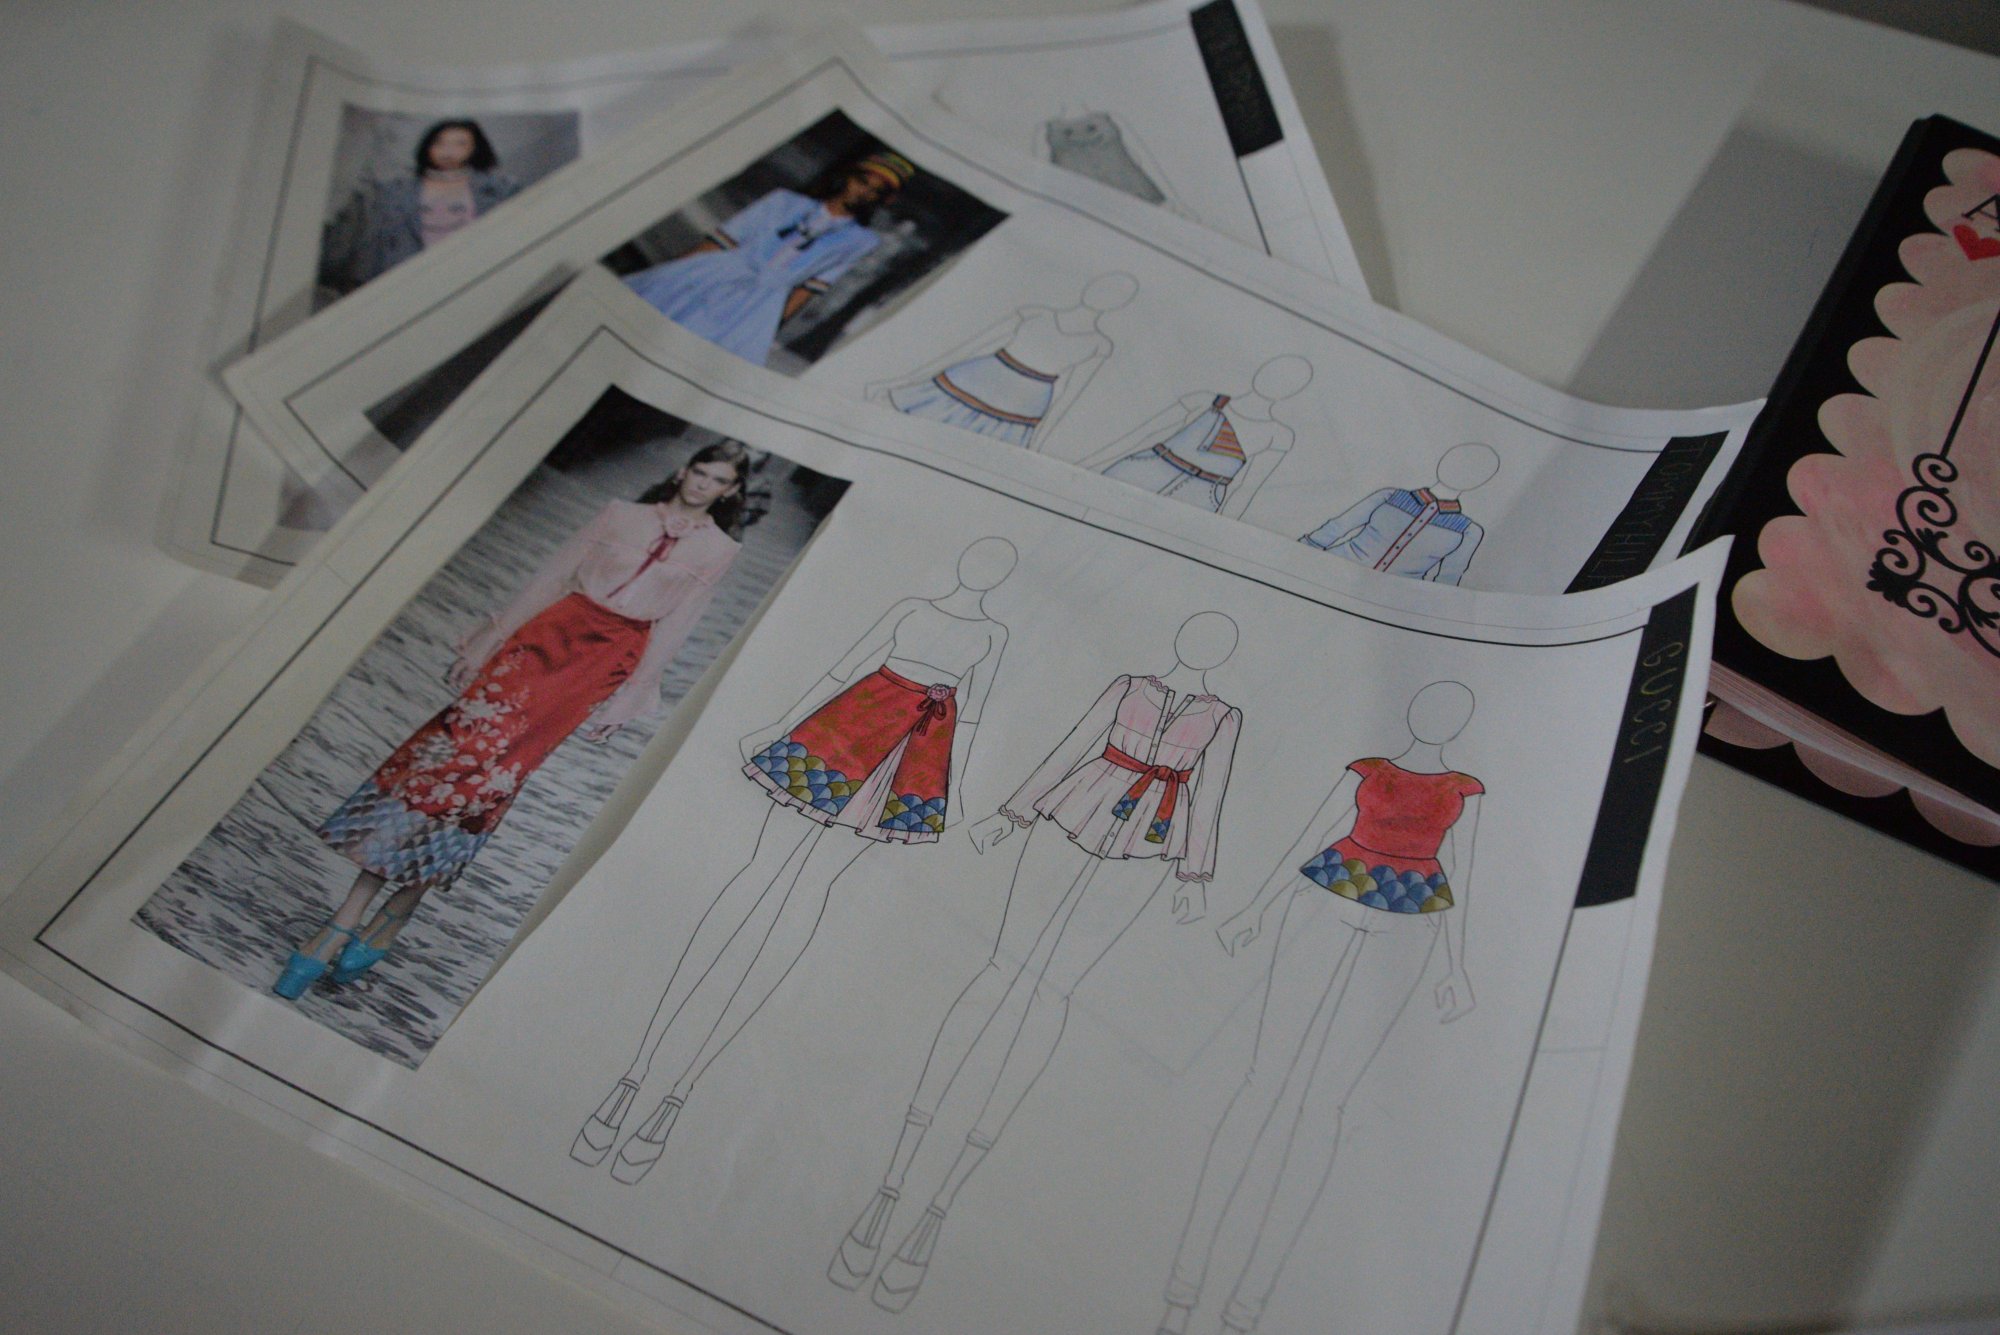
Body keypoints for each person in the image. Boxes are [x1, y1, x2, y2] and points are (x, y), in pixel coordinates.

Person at [272, 443, 750, 999]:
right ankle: (355, 920)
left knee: (496, 778)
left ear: (730, 491)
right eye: (699, 471)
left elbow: (678, 625)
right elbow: (553, 576)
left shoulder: (719, 550)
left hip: (599, 665)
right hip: (545, 637)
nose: (703, 485)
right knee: (450, 757)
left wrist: (633, 694)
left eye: (717, 480)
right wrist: (491, 637)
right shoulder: (622, 514)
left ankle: (381, 914)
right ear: (683, 470)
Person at [622, 151, 916, 366]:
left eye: (875, 191)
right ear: (848, 177)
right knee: (654, 327)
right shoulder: (784, 201)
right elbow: (719, 242)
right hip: (720, 270)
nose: (864, 192)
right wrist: (672, 270)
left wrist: (771, 325)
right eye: (862, 181)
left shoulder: (862, 240)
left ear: (882, 199)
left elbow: (809, 288)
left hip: (761, 299)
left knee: (700, 356)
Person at [318, 118, 523, 297]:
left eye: (460, 144)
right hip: (405, 288)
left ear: (475, 148)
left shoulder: (500, 190)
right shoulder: (394, 191)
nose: (448, 151)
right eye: (440, 143)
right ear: (428, 146)